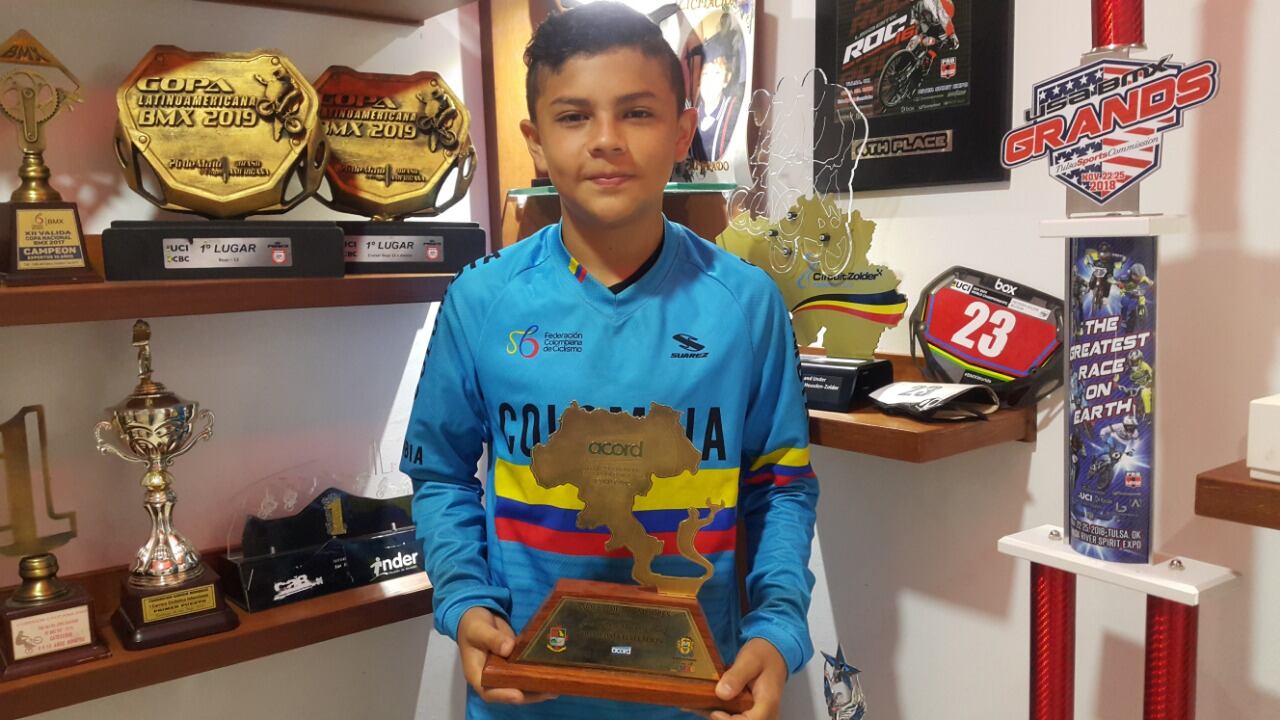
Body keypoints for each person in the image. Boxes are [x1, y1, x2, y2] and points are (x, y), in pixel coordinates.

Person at [400, 4, 819, 720]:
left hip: (699, 696)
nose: (605, 141)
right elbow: (439, 472)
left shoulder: (747, 303)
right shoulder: (481, 299)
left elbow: (782, 484)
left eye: (637, 113)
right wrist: (464, 601)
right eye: (573, 116)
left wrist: (778, 629)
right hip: (524, 696)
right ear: (536, 141)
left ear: (682, 132)